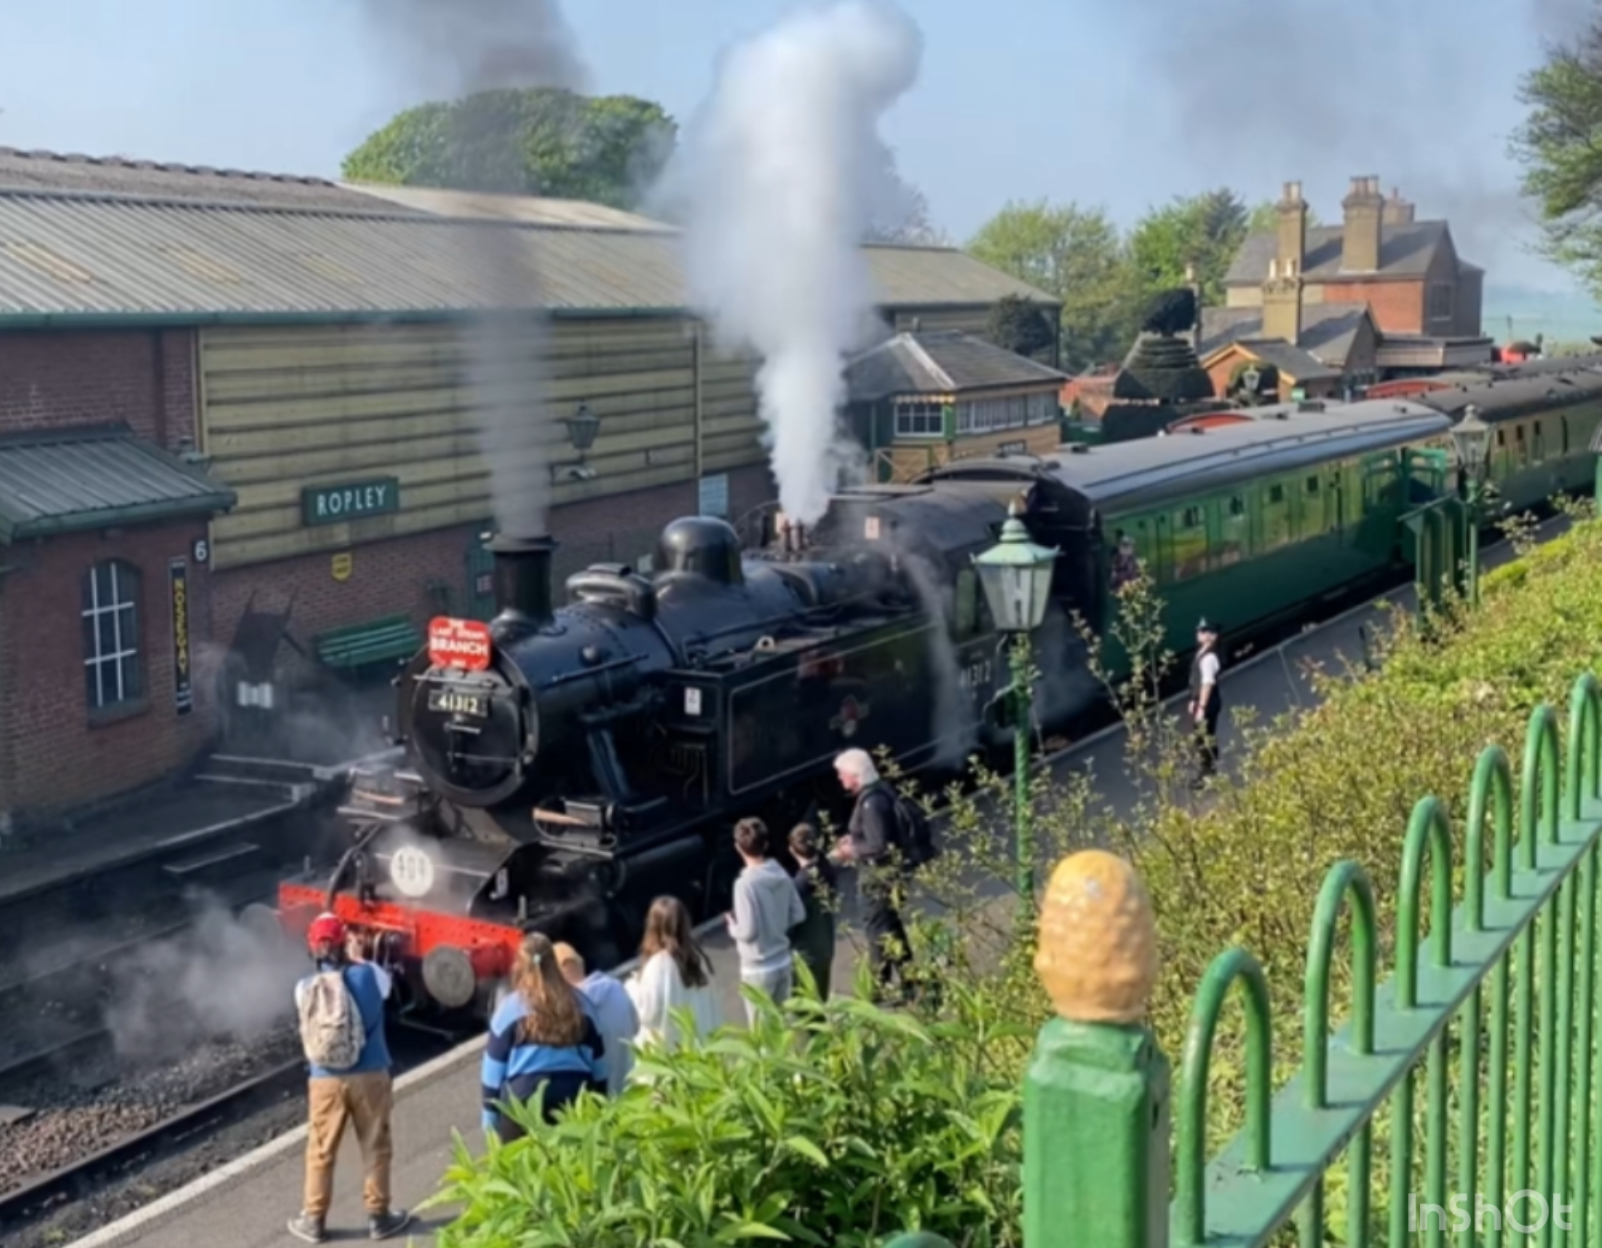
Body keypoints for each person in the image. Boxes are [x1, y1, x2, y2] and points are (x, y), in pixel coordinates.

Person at [288, 914, 410, 1244]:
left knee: (321, 1150)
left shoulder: (303, 988)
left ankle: (313, 1220)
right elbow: (386, 989)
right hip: (370, 1075)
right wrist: (359, 957)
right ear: (345, 943)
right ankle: (379, 1218)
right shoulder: (369, 976)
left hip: (325, 1080)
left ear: (312, 948)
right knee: (375, 1147)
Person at [481, 932, 608, 1144]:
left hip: (523, 1104)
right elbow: (600, 1068)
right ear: (554, 964)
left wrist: (490, 1124)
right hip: (573, 1099)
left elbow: (491, 1075)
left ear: (519, 967)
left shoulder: (508, 1011)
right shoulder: (583, 1005)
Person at [831, 748, 913, 1003]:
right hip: (885, 874)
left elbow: (879, 845)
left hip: (877, 877)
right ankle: (910, 981)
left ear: (855, 775)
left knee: (877, 930)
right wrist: (855, 838)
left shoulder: (871, 803)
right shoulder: (877, 793)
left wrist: (849, 851)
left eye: (842, 774)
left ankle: (879, 989)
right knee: (891, 928)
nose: (839, 779)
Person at [724, 817, 806, 1023]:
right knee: (783, 1027)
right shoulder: (780, 872)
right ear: (766, 844)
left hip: (757, 967)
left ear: (738, 848)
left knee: (762, 1036)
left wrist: (732, 926)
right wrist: (776, 924)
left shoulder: (744, 885)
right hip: (783, 960)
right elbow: (799, 914)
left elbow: (748, 931)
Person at [628, 895, 721, 1057]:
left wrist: (632, 986)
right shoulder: (697, 957)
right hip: (699, 1045)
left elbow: (647, 1013)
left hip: (671, 1050)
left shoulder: (658, 965)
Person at [554, 941, 639, 1095]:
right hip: (630, 1089)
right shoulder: (616, 988)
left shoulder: (571, 1010)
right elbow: (636, 1027)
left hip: (599, 1104)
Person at [788, 823, 839, 999]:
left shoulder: (799, 884)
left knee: (807, 1005)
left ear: (792, 850)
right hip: (826, 943)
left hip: (806, 951)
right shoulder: (827, 870)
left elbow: (792, 921)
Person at [1189, 618, 1224, 788]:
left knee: (1203, 738)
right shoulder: (1202, 652)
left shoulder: (1209, 657)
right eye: (1199, 630)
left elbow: (1207, 683)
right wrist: (1193, 700)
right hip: (1203, 702)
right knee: (1203, 737)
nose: (1199, 633)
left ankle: (1207, 774)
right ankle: (1210, 769)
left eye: (1203, 631)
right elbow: (1197, 681)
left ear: (1212, 636)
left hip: (1208, 704)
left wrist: (1201, 707)